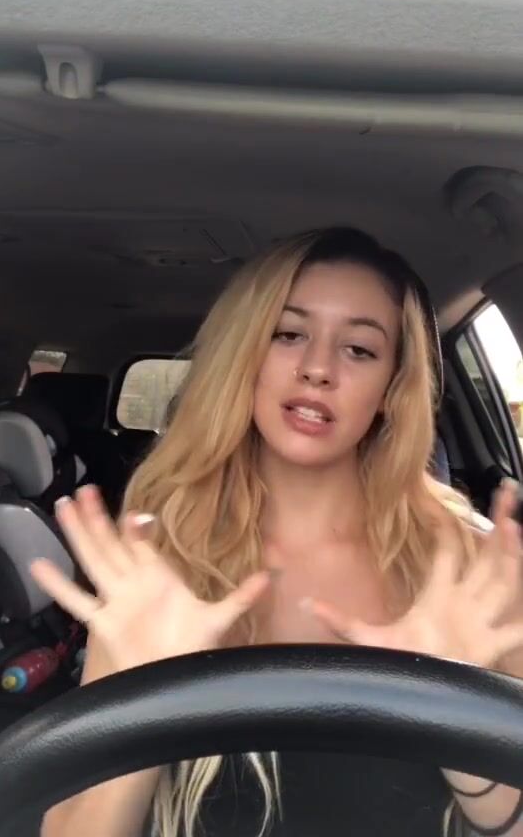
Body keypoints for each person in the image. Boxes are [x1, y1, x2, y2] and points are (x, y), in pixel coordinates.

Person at [31, 228, 523, 837]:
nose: (317, 369)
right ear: (246, 358)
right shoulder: (163, 566)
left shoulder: (468, 568)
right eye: (288, 334)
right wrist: (139, 703)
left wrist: (466, 728)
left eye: (359, 349)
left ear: (392, 390)